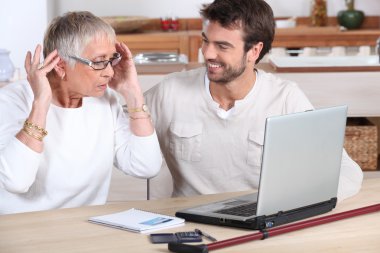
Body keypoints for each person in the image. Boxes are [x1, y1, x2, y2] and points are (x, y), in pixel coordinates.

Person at [144, 0, 363, 200]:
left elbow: (345, 169)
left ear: (254, 51)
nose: (208, 53)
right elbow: (117, 128)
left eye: (222, 46)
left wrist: (298, 204)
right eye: (205, 41)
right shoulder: (170, 91)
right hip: (187, 225)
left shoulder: (285, 98)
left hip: (257, 226)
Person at [0, 11, 162, 214]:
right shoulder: (11, 101)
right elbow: (16, 181)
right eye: (98, 61)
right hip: (24, 232)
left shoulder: (105, 101)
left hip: (84, 228)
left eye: (111, 59)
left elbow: (146, 166)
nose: (110, 72)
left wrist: (133, 93)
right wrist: (41, 104)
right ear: (60, 65)